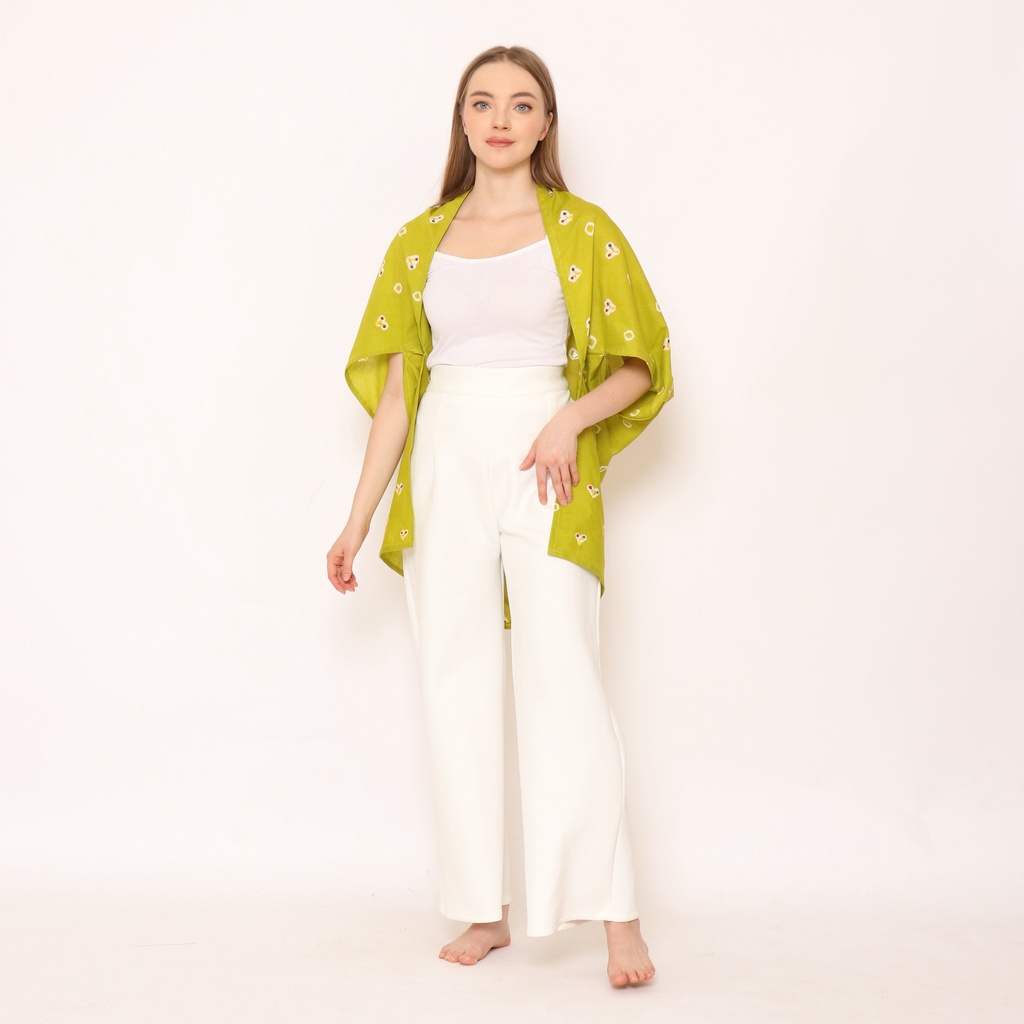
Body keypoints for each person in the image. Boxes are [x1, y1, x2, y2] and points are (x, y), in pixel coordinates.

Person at [327, 45, 672, 988]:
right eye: (482, 103)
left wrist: (568, 418)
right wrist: (358, 518)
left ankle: (618, 917)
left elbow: (639, 363)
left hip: (545, 463)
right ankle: (483, 908)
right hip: (443, 461)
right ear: (463, 120)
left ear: (546, 123)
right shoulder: (419, 242)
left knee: (566, 677)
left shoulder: (582, 229)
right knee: (456, 681)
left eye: (522, 104)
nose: (501, 119)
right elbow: (399, 396)